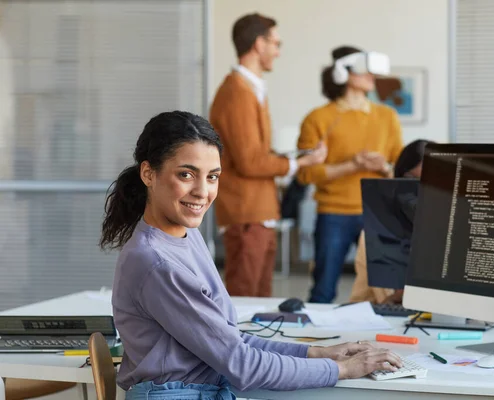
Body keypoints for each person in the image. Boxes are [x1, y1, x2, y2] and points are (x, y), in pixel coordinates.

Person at [101, 111, 402, 399]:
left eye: (212, 177)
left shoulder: (187, 236)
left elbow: (232, 342)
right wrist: (342, 369)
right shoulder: (157, 262)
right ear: (148, 174)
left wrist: (319, 352)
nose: (202, 191)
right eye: (186, 174)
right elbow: (242, 364)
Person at [209, 13, 326, 298]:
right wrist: (300, 163)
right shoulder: (237, 93)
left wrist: (291, 158)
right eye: (276, 42)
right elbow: (250, 162)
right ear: (259, 44)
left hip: (260, 212)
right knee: (244, 298)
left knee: (258, 299)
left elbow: (254, 153)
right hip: (246, 212)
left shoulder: (251, 90)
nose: (278, 50)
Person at [296, 46, 404, 304]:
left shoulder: (386, 116)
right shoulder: (318, 118)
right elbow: (305, 174)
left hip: (377, 214)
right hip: (333, 213)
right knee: (323, 289)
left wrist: (384, 167)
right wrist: (352, 165)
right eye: (363, 69)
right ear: (343, 73)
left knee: (387, 291)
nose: (371, 75)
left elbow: (400, 169)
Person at [349, 140, 432, 305]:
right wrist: (391, 301)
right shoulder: (372, 237)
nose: (418, 192)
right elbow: (361, 301)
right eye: (410, 180)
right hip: (393, 326)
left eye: (427, 182)